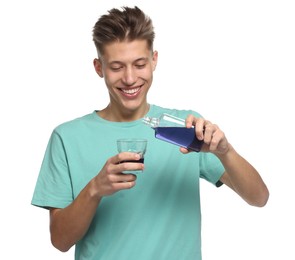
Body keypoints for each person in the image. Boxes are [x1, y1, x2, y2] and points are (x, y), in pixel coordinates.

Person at [31, 6, 269, 260]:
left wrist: (225, 152)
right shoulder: (67, 138)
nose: (130, 78)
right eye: (116, 67)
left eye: (140, 64)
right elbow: (60, 240)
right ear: (98, 67)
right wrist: (95, 189)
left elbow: (259, 198)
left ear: (154, 60)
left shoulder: (187, 128)